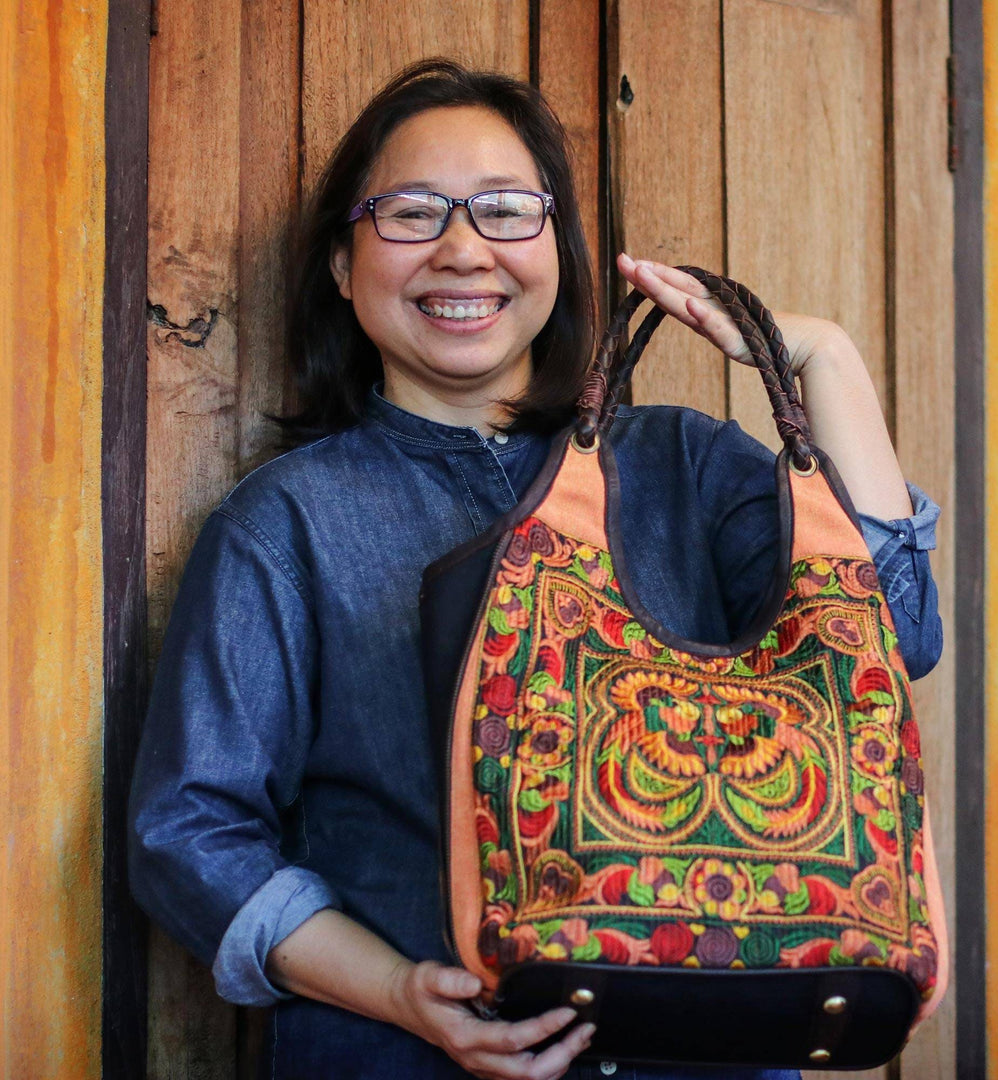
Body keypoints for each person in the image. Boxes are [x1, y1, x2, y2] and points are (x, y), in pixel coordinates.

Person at [129, 59, 943, 1080]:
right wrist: (398, 993)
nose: (464, 249)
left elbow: (895, 632)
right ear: (342, 263)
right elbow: (189, 833)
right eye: (413, 213)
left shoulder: (687, 468)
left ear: (556, 248)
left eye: (507, 211)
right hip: (398, 1055)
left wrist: (821, 358)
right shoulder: (285, 523)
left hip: (713, 1050)